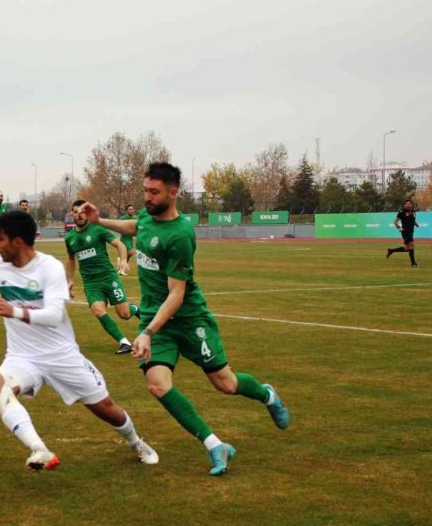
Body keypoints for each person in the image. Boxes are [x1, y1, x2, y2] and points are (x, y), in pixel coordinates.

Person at [81, 162, 290, 476]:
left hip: (189, 318)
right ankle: (214, 444)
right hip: (156, 317)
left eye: (154, 192)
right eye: (145, 191)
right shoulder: (146, 216)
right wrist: (101, 221)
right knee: (157, 384)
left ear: (173, 192)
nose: (147, 198)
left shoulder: (180, 235)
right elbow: (135, 227)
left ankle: (267, 394)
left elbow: (176, 294)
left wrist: (148, 333)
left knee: (226, 384)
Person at [0, 210, 158, 471]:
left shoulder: (49, 268)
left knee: (106, 408)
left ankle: (135, 441)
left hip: (61, 355)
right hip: (22, 356)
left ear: (18, 241)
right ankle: (39, 450)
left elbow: (53, 316)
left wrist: (14, 311)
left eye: (0, 239)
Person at [65, 199, 140, 355]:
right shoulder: (69, 238)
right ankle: (125, 343)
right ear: (72, 214)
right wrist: (70, 280)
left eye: (83, 212)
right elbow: (71, 259)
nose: (79, 215)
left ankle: (138, 310)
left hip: (108, 278)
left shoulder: (97, 230)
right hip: (91, 283)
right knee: (98, 310)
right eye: (76, 212)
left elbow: (119, 244)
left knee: (125, 314)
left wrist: (124, 260)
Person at [387, 199, 419, 266]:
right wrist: (399, 228)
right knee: (411, 244)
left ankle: (391, 250)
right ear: (404, 205)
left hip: (411, 231)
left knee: (407, 249)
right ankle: (413, 263)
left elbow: (413, 219)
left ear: (411, 204)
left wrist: (416, 224)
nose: (408, 205)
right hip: (405, 231)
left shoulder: (413, 211)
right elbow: (395, 221)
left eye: (409, 204)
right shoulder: (401, 212)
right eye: (406, 204)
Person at [118, 204, 138, 275]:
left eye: (132, 209)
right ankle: (122, 264)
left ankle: (122, 267)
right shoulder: (123, 218)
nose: (132, 210)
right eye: (130, 209)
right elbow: (118, 227)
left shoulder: (135, 217)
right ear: (127, 211)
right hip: (124, 238)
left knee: (127, 254)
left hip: (130, 238)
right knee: (131, 252)